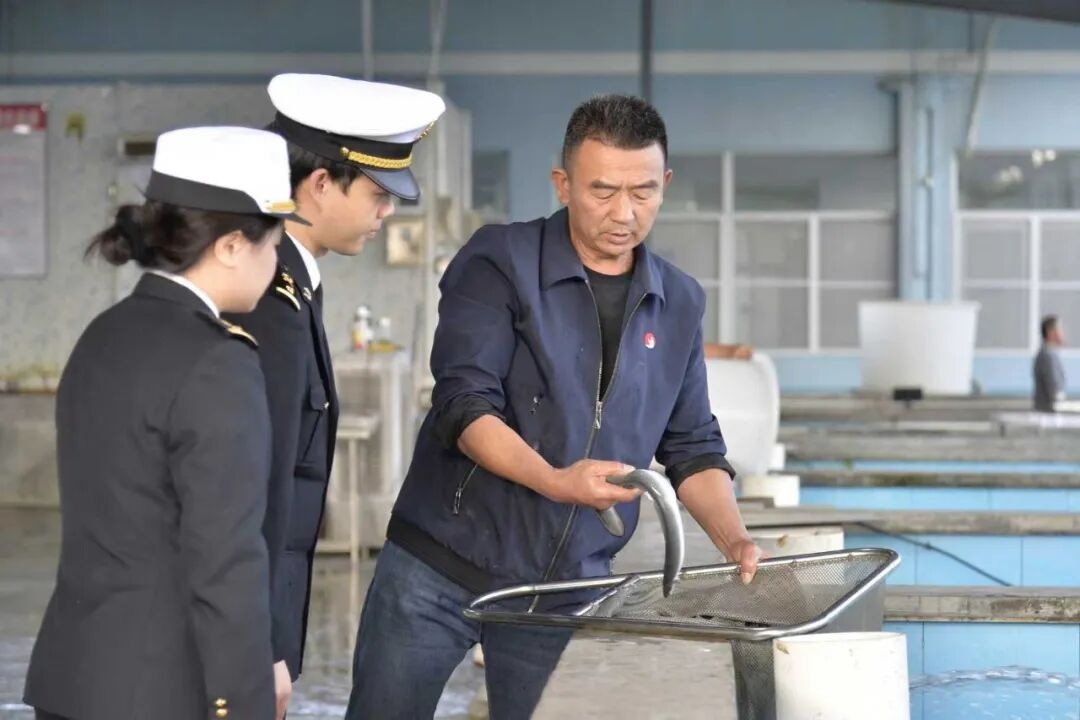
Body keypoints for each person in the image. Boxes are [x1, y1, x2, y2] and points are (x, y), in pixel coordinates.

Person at [346, 94, 763, 719]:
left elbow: (693, 445)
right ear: (562, 183)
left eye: (644, 191)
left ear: (665, 183)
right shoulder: (500, 263)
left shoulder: (677, 302)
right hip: (439, 566)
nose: (624, 212)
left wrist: (734, 540)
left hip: (565, 587)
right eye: (602, 190)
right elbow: (464, 404)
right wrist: (557, 481)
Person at [23, 126, 305, 720]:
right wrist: (243, 704)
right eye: (273, 242)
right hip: (164, 693)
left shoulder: (103, 334)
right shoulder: (218, 361)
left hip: (71, 681)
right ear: (231, 246)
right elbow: (225, 559)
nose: (276, 261)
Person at [222, 73, 445, 716]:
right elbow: (245, 493)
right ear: (320, 184)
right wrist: (258, 648)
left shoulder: (296, 284)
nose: (388, 212)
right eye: (378, 193)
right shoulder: (271, 298)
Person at [1034, 314, 1067, 412]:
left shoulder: (1049, 354)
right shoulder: (1048, 356)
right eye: (1060, 329)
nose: (1063, 333)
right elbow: (1054, 389)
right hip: (1048, 414)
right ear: (1051, 332)